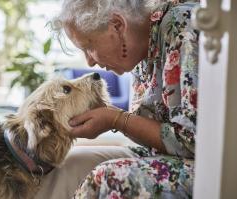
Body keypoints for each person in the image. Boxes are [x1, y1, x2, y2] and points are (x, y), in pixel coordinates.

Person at [35, 0, 199, 198]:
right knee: (67, 165)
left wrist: (116, 119)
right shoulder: (140, 52)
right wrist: (108, 116)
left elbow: (190, 142)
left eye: (88, 46)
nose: (90, 61)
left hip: (209, 166)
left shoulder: (181, 25)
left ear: (118, 25)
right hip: (164, 157)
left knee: (107, 178)